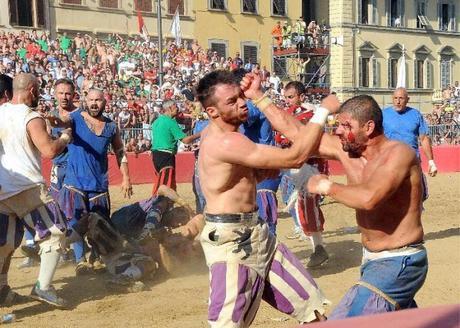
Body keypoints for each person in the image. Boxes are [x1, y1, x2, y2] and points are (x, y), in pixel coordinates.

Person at [197, 70, 340, 326]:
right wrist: (323, 111)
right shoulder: (226, 142)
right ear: (212, 112)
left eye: (241, 97)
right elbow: (294, 157)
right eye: (232, 101)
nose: (242, 103)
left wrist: (257, 173)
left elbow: (235, 179)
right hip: (233, 244)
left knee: (312, 310)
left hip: (256, 233)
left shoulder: (224, 136)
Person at [305, 95, 427, 318]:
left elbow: (369, 198)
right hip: (376, 261)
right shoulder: (350, 151)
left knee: (348, 321)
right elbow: (295, 133)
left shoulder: (399, 153)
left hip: (398, 261)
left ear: (368, 127)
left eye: (345, 125)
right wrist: (258, 96)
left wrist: (327, 186)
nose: (339, 131)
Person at [0, 73, 71, 307]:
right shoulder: (31, 117)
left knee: (6, 243)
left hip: (2, 188)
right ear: (31, 90)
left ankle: (1, 291)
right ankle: (43, 286)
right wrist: (64, 137)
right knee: (55, 233)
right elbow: (49, 150)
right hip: (26, 187)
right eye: (38, 90)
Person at [57, 88, 132, 275]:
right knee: (76, 221)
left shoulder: (111, 127)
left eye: (98, 100)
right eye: (91, 100)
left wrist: (126, 177)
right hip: (75, 183)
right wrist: (51, 120)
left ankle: (97, 258)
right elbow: (62, 121)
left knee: (100, 224)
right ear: (85, 100)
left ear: (105, 102)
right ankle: (80, 260)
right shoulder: (75, 119)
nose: (94, 103)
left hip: (98, 185)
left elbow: (120, 152)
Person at [275, 81, 329, 268]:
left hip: (309, 166)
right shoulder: (296, 115)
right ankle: (318, 247)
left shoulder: (309, 116)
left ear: (301, 97)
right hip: (297, 167)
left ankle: (319, 248)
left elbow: (289, 138)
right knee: (304, 206)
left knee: (306, 205)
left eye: (291, 97)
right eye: (286, 97)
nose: (287, 100)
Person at [383, 87, 437, 201]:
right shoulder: (383, 115)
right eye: (395, 98)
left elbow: (424, 139)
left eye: (401, 98)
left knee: (419, 197)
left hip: (412, 163)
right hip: (390, 163)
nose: (398, 101)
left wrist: (431, 162)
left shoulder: (415, 115)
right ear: (392, 99)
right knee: (389, 198)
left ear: (407, 99)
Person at [150, 100, 201, 195]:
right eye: (175, 107)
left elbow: (169, 134)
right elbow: (186, 140)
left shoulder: (157, 121)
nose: (178, 109)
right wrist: (201, 133)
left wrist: (188, 128)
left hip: (155, 155)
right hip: (166, 156)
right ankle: (158, 206)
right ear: (169, 108)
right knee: (166, 186)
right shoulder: (170, 122)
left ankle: (158, 204)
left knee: (160, 182)